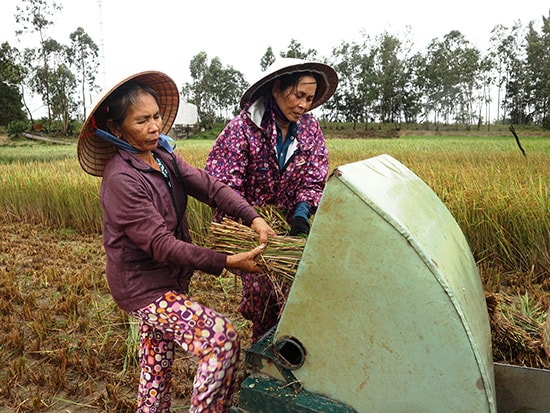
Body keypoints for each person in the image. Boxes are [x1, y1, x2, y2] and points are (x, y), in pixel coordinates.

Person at [77, 71, 275, 413]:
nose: (154, 127)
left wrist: (253, 217)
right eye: (142, 121)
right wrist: (227, 261)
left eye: (156, 117)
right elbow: (161, 244)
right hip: (143, 287)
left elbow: (210, 188)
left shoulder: (163, 158)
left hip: (168, 279)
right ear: (117, 130)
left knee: (156, 367)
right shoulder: (121, 178)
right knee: (221, 340)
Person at [205, 58, 338, 342]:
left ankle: (290, 358)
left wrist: (302, 214)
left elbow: (314, 176)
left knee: (297, 298)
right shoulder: (241, 129)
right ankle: (261, 359)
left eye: (309, 98)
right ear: (277, 88)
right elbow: (223, 187)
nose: (303, 105)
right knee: (262, 299)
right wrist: (252, 220)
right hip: (251, 230)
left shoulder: (310, 131)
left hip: (290, 228)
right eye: (298, 95)